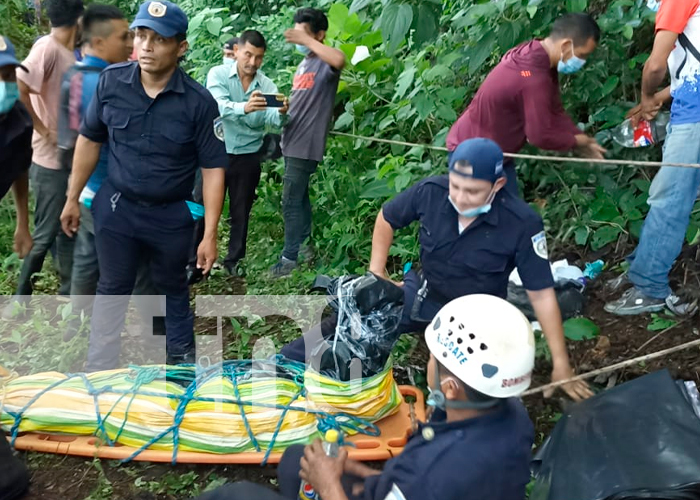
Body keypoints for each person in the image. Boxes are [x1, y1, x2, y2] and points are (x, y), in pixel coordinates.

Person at [282, 138, 592, 401]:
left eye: (471, 191)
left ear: (498, 185)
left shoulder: (521, 223)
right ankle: (282, 364)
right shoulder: (431, 192)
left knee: (466, 393)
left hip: (477, 317)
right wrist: (376, 274)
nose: (459, 197)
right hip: (426, 296)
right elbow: (387, 218)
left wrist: (560, 363)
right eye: (455, 186)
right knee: (358, 316)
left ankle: (438, 425)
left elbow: (541, 294)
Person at [195, 295, 536, 500]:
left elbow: (428, 482)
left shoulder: (436, 472)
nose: (428, 360)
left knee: (233, 495)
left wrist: (330, 485)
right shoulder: (511, 416)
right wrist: (363, 473)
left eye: (433, 357)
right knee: (296, 461)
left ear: (450, 388)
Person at [60, 0, 227, 369]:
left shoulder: (199, 104)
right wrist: (72, 197)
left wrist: (210, 233)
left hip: (170, 217)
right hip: (118, 210)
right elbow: (89, 139)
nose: (146, 46)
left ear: (180, 47)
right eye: (141, 35)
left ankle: (181, 378)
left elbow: (214, 169)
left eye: (159, 39)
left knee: (173, 295)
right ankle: (99, 375)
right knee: (112, 291)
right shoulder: (112, 82)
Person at [62, 4, 166, 342]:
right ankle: (161, 343)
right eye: (125, 37)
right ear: (99, 41)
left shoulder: (75, 75)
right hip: (115, 195)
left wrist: (74, 195)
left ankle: (74, 330)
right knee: (142, 271)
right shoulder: (107, 84)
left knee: (88, 259)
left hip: (90, 191)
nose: (131, 45)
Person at [604, 0, 700, 316]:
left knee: (669, 197)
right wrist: (658, 99)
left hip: (695, 116)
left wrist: (646, 97)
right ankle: (642, 266)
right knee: (674, 194)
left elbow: (655, 65)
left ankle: (649, 287)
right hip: (691, 106)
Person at [446, 13, 606, 196]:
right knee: (482, 220)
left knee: (510, 217)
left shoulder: (535, 54)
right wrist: (577, 141)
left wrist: (577, 136)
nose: (582, 62)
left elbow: (555, 110)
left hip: (493, 152)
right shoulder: (534, 78)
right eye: (582, 55)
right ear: (566, 45)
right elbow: (539, 135)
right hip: (473, 157)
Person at [3, 0, 84, 318]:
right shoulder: (47, 48)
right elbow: (21, 85)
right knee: (46, 230)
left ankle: (67, 294)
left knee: (67, 227)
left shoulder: (70, 54)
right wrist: (43, 128)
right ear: (78, 19)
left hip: (66, 156)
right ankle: (20, 299)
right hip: (47, 159)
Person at [269, 7, 346, 278]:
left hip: (307, 144)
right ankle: (303, 248)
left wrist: (308, 41)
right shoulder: (305, 64)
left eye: (305, 35)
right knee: (298, 199)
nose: (299, 41)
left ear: (319, 35)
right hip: (292, 138)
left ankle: (289, 259)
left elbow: (340, 59)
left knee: (290, 200)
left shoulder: (325, 61)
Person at [206, 30, 288, 277]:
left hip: (248, 155)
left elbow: (274, 119)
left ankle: (234, 261)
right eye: (248, 55)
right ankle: (195, 262)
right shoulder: (217, 74)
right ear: (237, 52)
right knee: (201, 206)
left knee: (241, 210)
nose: (253, 62)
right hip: (215, 153)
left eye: (259, 57)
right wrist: (244, 107)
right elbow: (216, 104)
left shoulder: (266, 85)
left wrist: (283, 111)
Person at [0, 36, 33, 260]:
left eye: (9, 75)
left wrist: (23, 224)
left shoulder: (19, 121)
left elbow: (19, 169)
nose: (3, 85)